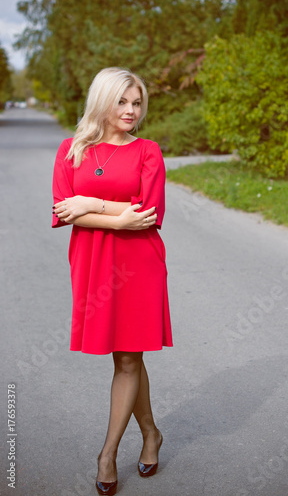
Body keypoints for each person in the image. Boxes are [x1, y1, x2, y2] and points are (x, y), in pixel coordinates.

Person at [51, 67, 173, 496]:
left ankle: (107, 454)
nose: (131, 110)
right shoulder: (71, 150)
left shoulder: (148, 152)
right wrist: (116, 215)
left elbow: (148, 215)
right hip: (92, 264)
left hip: (139, 264)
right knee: (126, 358)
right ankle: (152, 434)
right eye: (122, 101)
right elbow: (63, 211)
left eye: (137, 102)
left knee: (126, 358)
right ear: (103, 101)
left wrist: (93, 202)